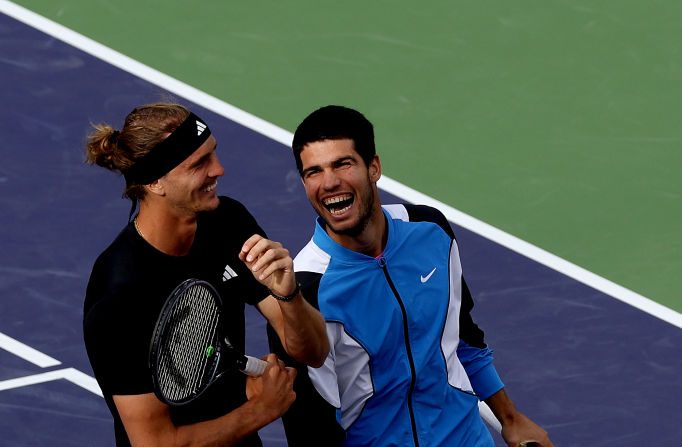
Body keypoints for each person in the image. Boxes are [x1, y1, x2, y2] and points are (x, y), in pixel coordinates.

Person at [269, 105, 553, 446]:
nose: (329, 183)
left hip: (464, 437)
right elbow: (311, 427)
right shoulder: (304, 289)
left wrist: (510, 418)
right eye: (313, 171)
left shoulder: (429, 229)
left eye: (343, 164)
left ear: (374, 167)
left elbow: (463, 336)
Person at [82, 102, 329, 447]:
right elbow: (154, 443)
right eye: (199, 164)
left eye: (213, 154)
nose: (219, 170)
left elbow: (313, 352)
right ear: (155, 181)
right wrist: (261, 410)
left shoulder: (228, 222)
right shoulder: (120, 293)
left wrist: (289, 295)